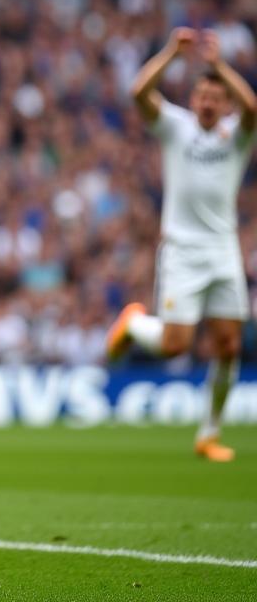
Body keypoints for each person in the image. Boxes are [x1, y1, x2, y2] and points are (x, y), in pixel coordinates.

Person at [107, 28, 255, 461]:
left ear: (223, 103)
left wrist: (219, 66)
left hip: (223, 249)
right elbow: (138, 91)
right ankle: (134, 325)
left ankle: (209, 434)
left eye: (216, 97)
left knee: (228, 344)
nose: (208, 102)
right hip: (182, 251)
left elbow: (252, 107)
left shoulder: (237, 134)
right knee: (175, 345)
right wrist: (171, 52)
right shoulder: (176, 127)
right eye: (202, 96)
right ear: (193, 100)